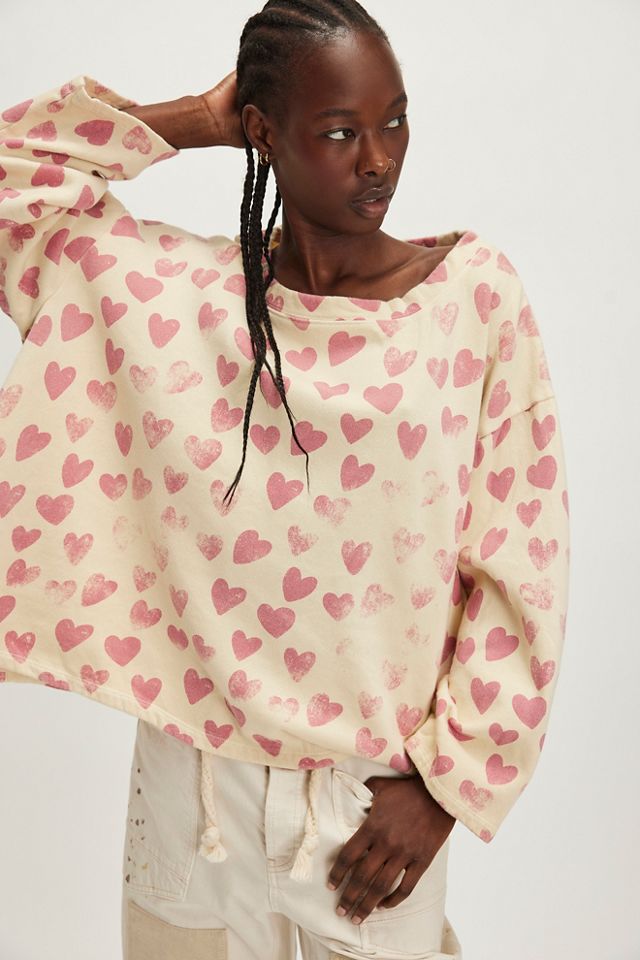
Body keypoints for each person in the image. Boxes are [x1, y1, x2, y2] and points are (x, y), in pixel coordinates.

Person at [0, 1, 570, 958]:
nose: (379, 158)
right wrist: (196, 119)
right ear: (263, 132)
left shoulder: (471, 301)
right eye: (340, 132)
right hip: (192, 796)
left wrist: (448, 789)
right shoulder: (172, 297)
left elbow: (523, 559)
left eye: (395, 120)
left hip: (370, 803)